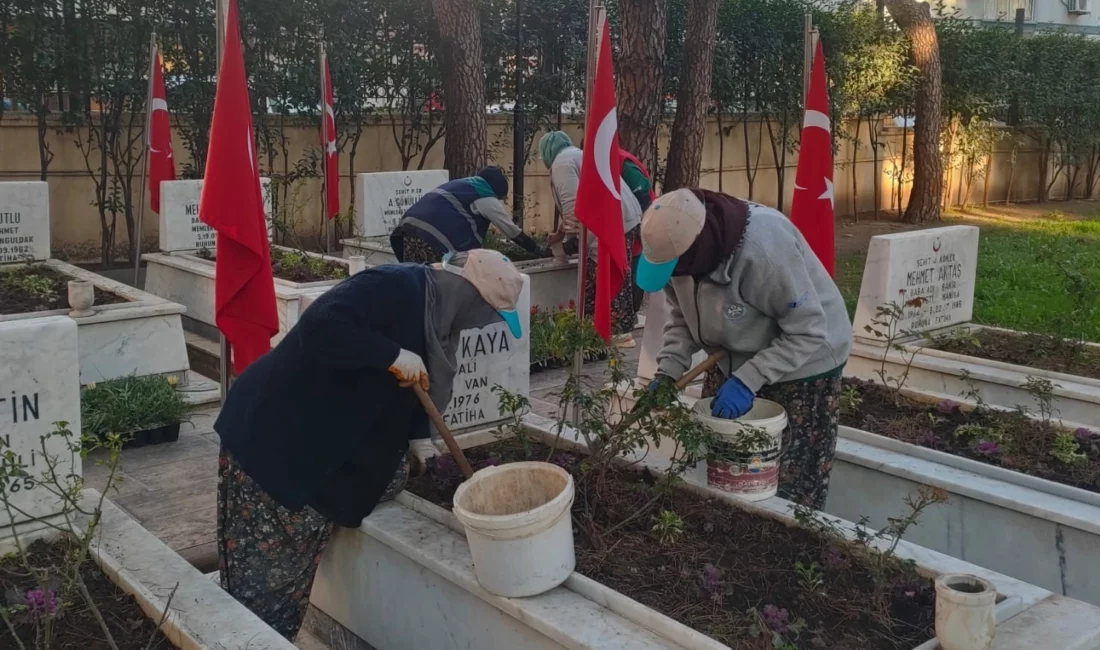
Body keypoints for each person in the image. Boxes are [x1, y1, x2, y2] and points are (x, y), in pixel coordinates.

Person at [213, 249, 525, 640]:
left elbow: (418, 386)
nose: (483, 324)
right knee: (262, 594)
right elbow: (322, 325)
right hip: (277, 443)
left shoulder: (438, 322)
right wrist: (388, 353)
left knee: (284, 589)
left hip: (318, 448)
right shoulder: (396, 287)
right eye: (488, 313)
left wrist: (417, 439)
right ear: (470, 296)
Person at [636, 188, 852, 509]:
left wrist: (749, 379)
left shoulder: (763, 249)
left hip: (806, 362)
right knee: (725, 468)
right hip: (731, 356)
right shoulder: (677, 255)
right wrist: (667, 373)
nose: (674, 278)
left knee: (785, 480)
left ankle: (787, 546)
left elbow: (807, 330)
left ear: (698, 252)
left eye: (676, 270)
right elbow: (682, 316)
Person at [538, 130, 643, 341]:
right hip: (626, 216)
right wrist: (562, 235)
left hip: (611, 223)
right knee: (598, 275)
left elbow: (573, 209)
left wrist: (564, 238)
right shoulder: (578, 155)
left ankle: (617, 333)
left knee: (608, 274)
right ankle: (594, 327)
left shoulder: (562, 164)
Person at [390, 166, 544, 264]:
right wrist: (536, 249)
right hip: (431, 241)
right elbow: (511, 230)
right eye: (501, 199)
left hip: (407, 231)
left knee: (414, 281)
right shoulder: (486, 197)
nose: (501, 203)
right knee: (435, 287)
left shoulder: (462, 185)